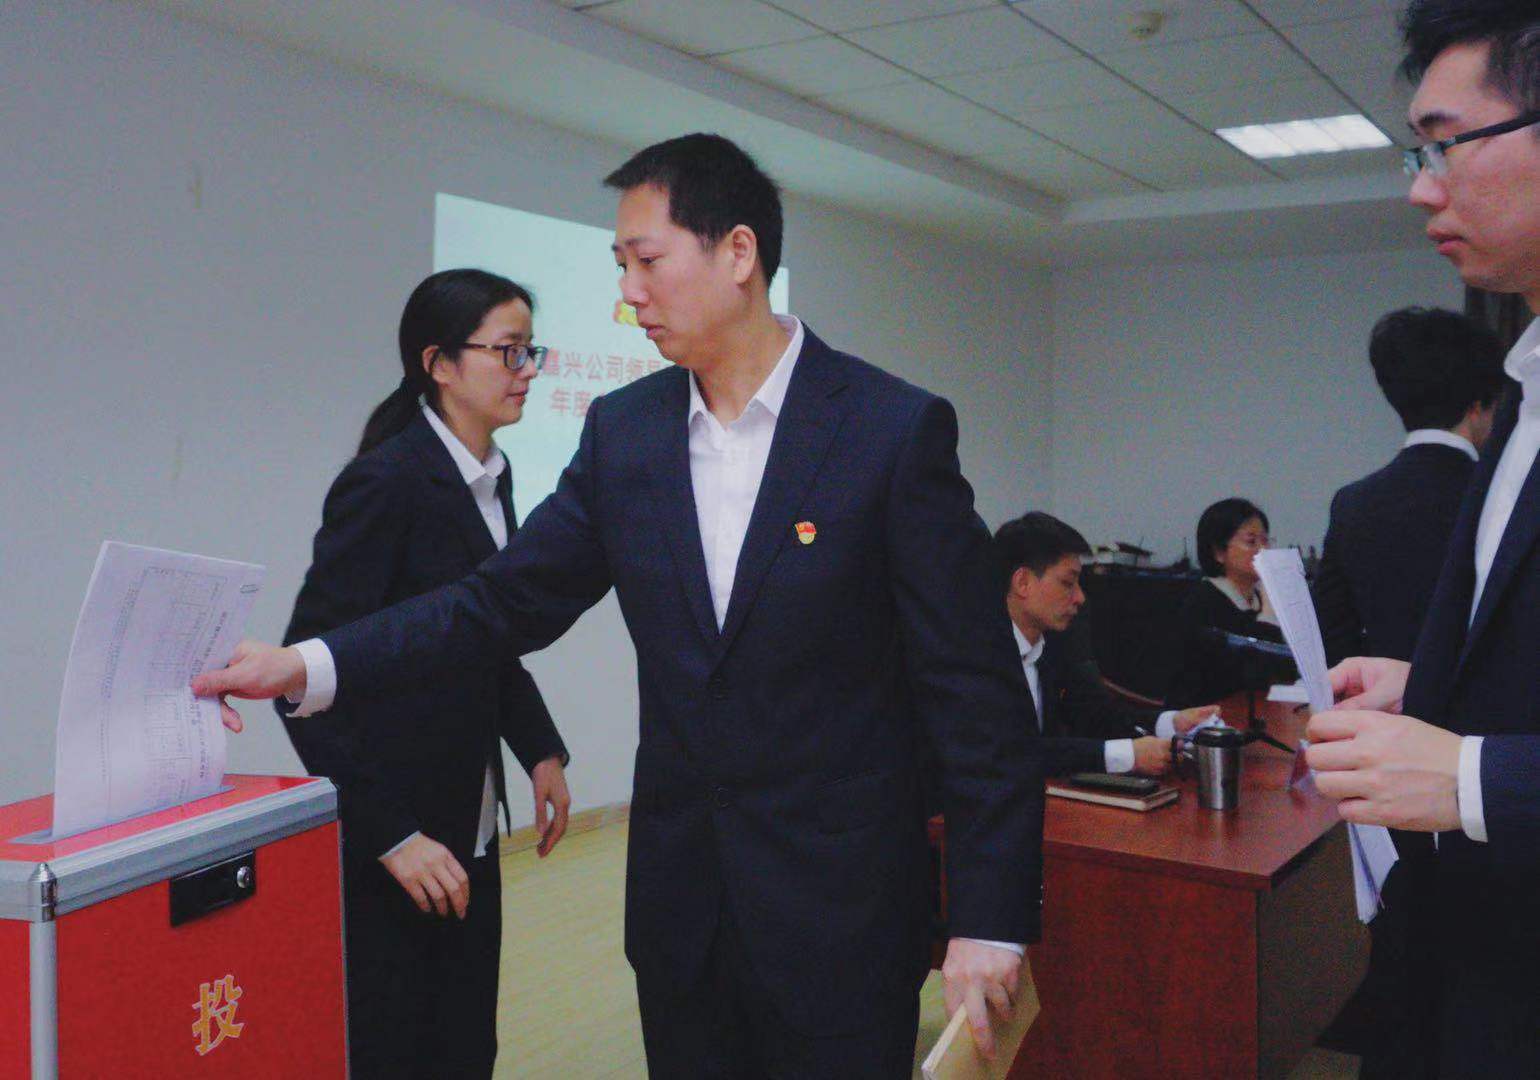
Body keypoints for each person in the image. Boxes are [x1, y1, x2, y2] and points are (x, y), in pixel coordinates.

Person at [194, 133, 1043, 1076]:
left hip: (842, 918)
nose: (628, 294)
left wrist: (989, 919)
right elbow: (496, 605)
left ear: (737, 253)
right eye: (618, 267)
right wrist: (308, 664)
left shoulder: (888, 430)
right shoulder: (627, 433)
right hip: (684, 920)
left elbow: (977, 696)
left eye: (646, 261)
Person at [1302, 3, 1540, 1073]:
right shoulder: (1521, 395)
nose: (1420, 187)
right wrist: (1435, 686)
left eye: (1447, 143)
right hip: (1469, 962)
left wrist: (1472, 776)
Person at [278, 269, 571, 1079]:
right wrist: (393, 837)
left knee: (466, 1043)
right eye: (508, 351)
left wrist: (539, 750)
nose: (526, 370)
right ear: (439, 363)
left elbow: (483, 632)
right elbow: (305, 678)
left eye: (531, 351)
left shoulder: (494, 475)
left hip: (467, 818)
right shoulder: (387, 482)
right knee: (396, 1048)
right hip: (398, 833)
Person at [1314, 306, 1505, 666]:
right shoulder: (1504, 495)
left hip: (1385, 697)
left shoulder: (1352, 503)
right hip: (1491, 700)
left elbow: (1334, 636)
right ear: (1478, 405)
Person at [994, 512, 1219, 777]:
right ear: (1023, 582)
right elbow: (1010, 751)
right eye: (1067, 583)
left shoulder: (1055, 642)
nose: (1080, 597)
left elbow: (1095, 716)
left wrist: (1171, 723)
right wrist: (1126, 756)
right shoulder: (977, 654)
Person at [1165, 498, 1294, 708]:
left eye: (1265, 541)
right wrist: (1269, 614)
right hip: (1207, 714)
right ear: (1219, 552)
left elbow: (1286, 669)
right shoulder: (1204, 602)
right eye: (1251, 542)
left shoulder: (1260, 597)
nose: (1262, 550)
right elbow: (1251, 674)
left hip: (1260, 709)